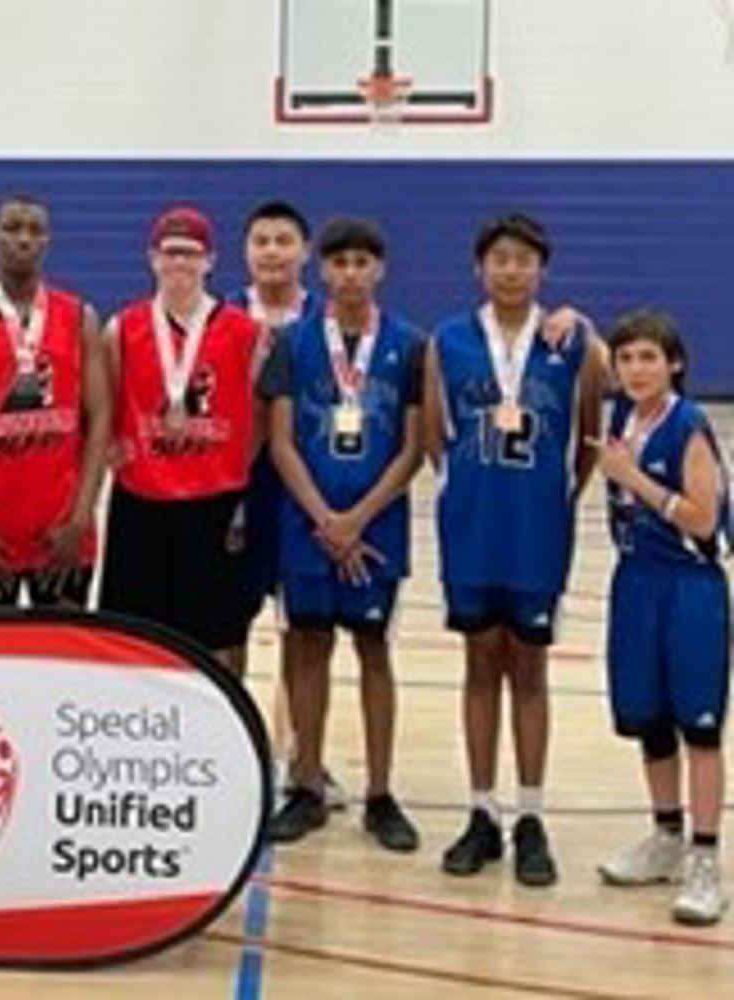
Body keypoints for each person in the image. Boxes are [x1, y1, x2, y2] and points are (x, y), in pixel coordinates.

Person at [426, 214, 606, 887]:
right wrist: (459, 488)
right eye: (499, 258)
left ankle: (531, 816)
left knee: (529, 671)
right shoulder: (448, 340)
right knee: (478, 666)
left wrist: (554, 497)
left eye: (523, 259)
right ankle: (480, 812)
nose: (510, 269)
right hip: (470, 528)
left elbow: (590, 436)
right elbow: (432, 438)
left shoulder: (571, 342)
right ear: (480, 267)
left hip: (537, 533)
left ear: (542, 270)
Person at [262, 218, 423, 852]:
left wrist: (356, 519)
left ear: (379, 269)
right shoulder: (292, 343)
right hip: (306, 526)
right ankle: (305, 783)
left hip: (377, 526)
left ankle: (381, 793)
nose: (351, 273)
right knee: (306, 649)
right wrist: (325, 518)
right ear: (322, 271)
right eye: (340, 263)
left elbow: (414, 448)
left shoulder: (410, 345)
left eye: (362, 262)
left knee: (374, 651)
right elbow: (279, 441)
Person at [593, 310, 728, 925]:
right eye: (625, 359)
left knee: (698, 729)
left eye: (649, 357)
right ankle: (666, 838)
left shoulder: (689, 424)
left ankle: (706, 861)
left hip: (690, 587)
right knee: (648, 721)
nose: (635, 369)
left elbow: (703, 518)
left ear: (673, 363)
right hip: (635, 581)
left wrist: (632, 480)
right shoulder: (623, 415)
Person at [0, 193, 110, 607]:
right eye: (12, 228)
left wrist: (80, 520)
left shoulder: (80, 316)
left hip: (61, 534)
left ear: (48, 240)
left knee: (61, 666)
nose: (23, 239)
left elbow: (99, 420)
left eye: (34, 230)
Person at [226, 200, 346, 807]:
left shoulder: (332, 323)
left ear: (304, 253)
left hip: (305, 488)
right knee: (231, 626)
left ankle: (302, 757)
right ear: (245, 252)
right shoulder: (219, 319)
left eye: (283, 241)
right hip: (239, 489)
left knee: (304, 633)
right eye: (261, 241)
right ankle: (230, 751)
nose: (272, 251)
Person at [100, 205, 258, 662]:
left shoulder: (245, 332)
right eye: (170, 252)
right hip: (142, 499)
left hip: (215, 499)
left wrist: (241, 475)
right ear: (152, 258)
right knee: (135, 634)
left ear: (210, 260)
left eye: (191, 253)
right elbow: (106, 408)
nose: (180, 263)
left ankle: (217, 724)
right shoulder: (122, 328)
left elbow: (260, 418)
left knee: (217, 636)